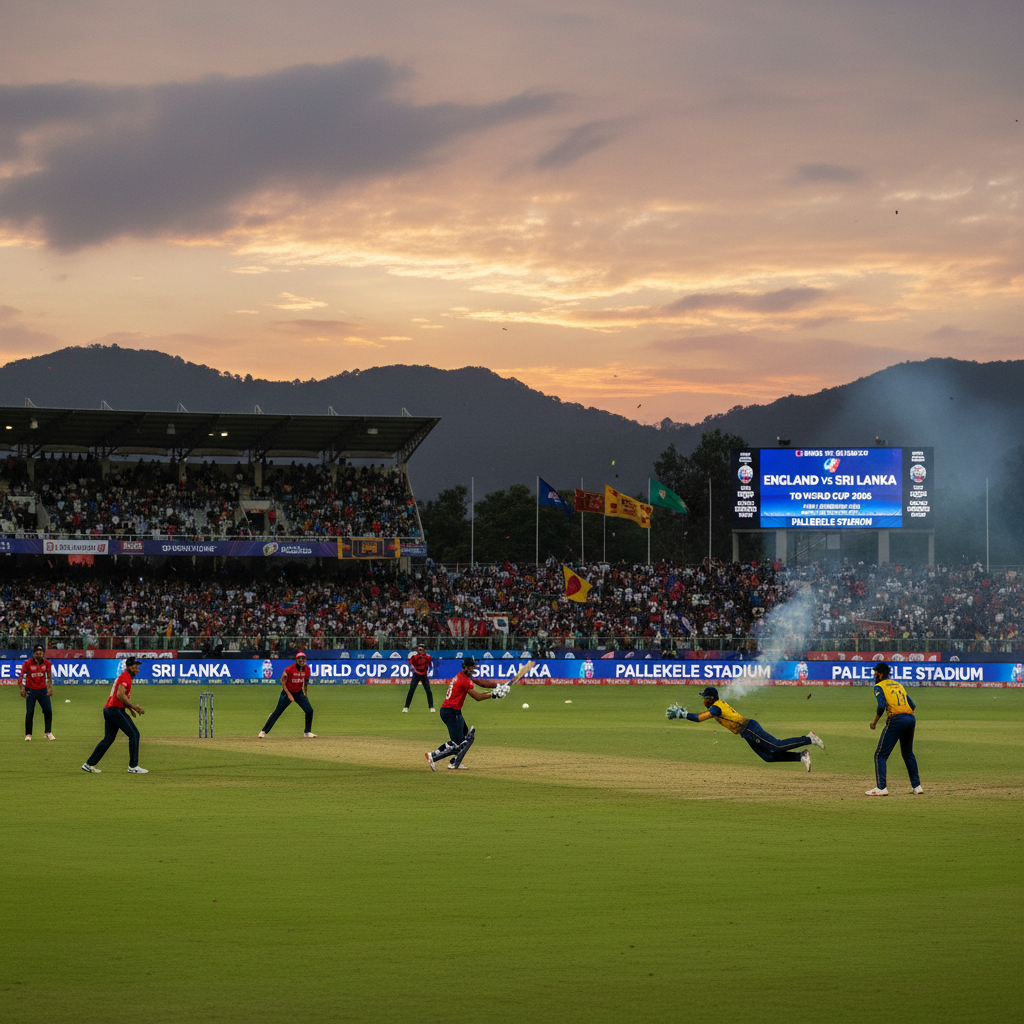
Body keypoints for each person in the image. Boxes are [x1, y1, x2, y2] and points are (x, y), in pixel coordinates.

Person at [671, 686, 825, 770]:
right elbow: (702, 714)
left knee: (777, 746)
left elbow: (699, 718)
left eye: (705, 698)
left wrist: (682, 715)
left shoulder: (716, 708)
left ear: (711, 699)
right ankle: (801, 756)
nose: (703, 700)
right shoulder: (716, 706)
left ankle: (809, 738)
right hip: (746, 733)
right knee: (768, 757)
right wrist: (684, 713)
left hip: (750, 728)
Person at [425, 657, 534, 771]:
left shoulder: (463, 675)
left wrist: (498, 685)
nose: (473, 669)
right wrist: (494, 694)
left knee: (467, 738)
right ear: (467, 668)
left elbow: (481, 682)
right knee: (457, 743)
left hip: (454, 711)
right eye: (472, 668)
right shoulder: (464, 681)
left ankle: (455, 762)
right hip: (450, 712)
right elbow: (477, 697)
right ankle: (432, 756)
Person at [81, 657, 148, 774]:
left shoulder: (125, 676)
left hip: (109, 709)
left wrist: (129, 708)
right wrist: (133, 706)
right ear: (128, 667)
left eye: (137, 667)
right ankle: (133, 766)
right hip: (114, 710)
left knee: (108, 739)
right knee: (134, 734)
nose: (137, 669)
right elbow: (120, 695)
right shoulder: (126, 676)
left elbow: (121, 697)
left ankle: (88, 764)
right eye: (134, 667)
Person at [865, 662, 922, 796]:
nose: (874, 675)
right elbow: (912, 704)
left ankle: (881, 787)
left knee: (880, 755)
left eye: (875, 673)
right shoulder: (898, 685)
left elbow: (880, 707)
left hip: (896, 719)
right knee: (908, 754)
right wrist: (905, 714)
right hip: (910, 718)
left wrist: (874, 722)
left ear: (879, 674)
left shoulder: (879, 686)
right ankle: (917, 786)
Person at [258, 650, 316, 738]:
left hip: (299, 693)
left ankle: (307, 732)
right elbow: (282, 680)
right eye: (300, 659)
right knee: (278, 712)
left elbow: (306, 681)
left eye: (303, 659)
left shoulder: (307, 669)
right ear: (296, 660)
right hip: (287, 692)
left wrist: (305, 693)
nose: (302, 661)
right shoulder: (289, 669)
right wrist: (288, 694)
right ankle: (263, 731)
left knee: (309, 710)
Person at [19, 644, 55, 741]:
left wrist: (50, 688)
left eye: (40, 653)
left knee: (48, 711)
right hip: (30, 690)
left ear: (43, 653)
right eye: (37, 653)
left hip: (43, 690)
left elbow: (49, 676)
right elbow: (21, 676)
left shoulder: (47, 663)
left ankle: (48, 732)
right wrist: (22, 689)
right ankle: (28, 735)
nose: (39, 655)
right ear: (34, 653)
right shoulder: (27, 663)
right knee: (30, 712)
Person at [403, 644, 435, 713]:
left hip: (424, 675)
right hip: (416, 674)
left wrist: (424, 657)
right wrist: (419, 657)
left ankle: (431, 707)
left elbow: (430, 662)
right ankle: (406, 707)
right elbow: (412, 662)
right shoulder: (415, 657)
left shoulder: (428, 657)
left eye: (421, 649)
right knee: (411, 690)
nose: (420, 651)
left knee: (428, 691)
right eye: (419, 649)